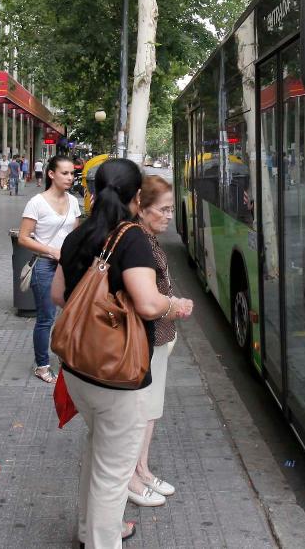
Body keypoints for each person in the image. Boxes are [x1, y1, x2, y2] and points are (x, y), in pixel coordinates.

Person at [51, 159, 193, 548]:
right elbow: (148, 304)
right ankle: (103, 541)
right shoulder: (130, 238)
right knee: (113, 471)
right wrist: (174, 305)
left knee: (99, 453)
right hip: (118, 374)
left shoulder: (77, 234)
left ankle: (90, 530)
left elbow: (58, 296)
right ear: (134, 197)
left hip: (79, 367)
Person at [128, 176, 182, 507]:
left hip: (160, 335)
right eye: (163, 209)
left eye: (171, 209)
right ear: (142, 208)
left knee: (151, 411)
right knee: (142, 411)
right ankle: (133, 477)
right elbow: (147, 302)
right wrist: (174, 305)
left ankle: (143, 469)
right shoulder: (140, 245)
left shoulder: (149, 239)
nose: (169, 216)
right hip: (147, 338)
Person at [18, 155, 81, 383]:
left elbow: (74, 235)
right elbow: (23, 238)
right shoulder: (37, 202)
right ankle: (42, 364)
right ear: (51, 174)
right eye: (65, 173)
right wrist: (52, 251)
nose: (70, 177)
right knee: (46, 317)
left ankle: (67, 356)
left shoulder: (73, 201)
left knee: (71, 313)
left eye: (72, 173)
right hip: (44, 265)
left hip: (68, 266)